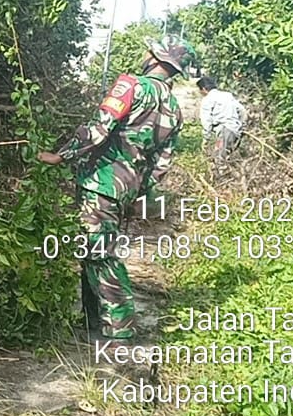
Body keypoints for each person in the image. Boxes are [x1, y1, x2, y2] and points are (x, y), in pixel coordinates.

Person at [37, 37, 195, 343]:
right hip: (126, 188)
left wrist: (61, 155)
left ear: (155, 58)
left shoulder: (131, 86)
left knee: (100, 254)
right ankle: (92, 319)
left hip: (102, 181)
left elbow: (99, 128)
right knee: (91, 249)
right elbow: (161, 163)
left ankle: (120, 326)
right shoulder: (174, 109)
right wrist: (137, 191)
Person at [197, 76, 247, 169]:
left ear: (203, 89)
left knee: (219, 160)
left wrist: (206, 139)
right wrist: (242, 127)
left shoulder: (207, 100)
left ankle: (222, 176)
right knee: (229, 157)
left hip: (224, 131)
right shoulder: (228, 95)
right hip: (235, 130)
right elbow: (242, 111)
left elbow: (206, 121)